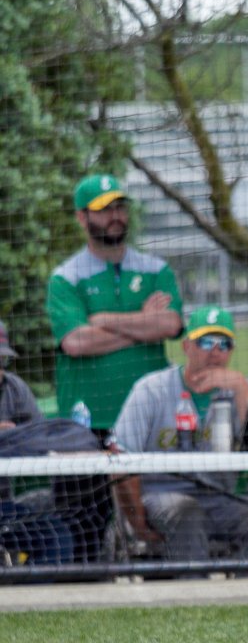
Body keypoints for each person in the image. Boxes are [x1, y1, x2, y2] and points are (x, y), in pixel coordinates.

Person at [111, 305, 248, 562]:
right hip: (159, 498)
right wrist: (137, 524)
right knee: (186, 511)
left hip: (218, 499)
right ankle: (193, 586)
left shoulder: (242, 388)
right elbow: (121, 460)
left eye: (224, 344)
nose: (215, 352)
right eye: (206, 342)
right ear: (186, 346)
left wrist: (241, 389)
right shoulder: (151, 390)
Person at [46, 174, 184, 436]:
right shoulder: (65, 278)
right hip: (88, 419)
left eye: (120, 207)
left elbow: (170, 324)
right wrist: (144, 324)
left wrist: (105, 321)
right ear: (82, 217)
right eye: (104, 210)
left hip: (151, 417)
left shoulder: (157, 270)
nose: (115, 216)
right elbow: (76, 343)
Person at [0, 319, 76, 566]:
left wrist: (17, 435)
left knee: (58, 536)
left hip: (3, 508)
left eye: (2, 361)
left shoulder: (14, 388)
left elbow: (41, 436)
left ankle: (30, 589)